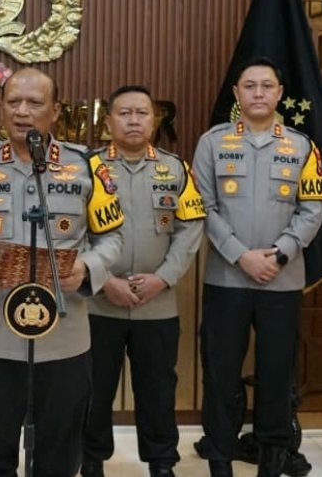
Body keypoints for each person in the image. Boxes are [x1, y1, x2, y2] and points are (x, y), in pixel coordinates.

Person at [0, 67, 125, 477]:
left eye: (34, 103)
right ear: (1, 108)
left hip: (64, 337)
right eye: (13, 102)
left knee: (59, 455)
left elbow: (113, 239)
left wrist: (87, 268)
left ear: (55, 111)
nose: (22, 112)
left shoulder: (85, 167)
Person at [191, 58, 322, 477]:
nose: (258, 93)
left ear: (280, 93)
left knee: (275, 376)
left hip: (281, 281)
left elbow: (312, 209)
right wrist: (240, 254)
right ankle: (219, 456)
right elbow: (202, 206)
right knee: (220, 374)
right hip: (226, 277)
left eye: (267, 86)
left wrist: (280, 253)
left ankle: (272, 457)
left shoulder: (303, 146)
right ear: (236, 93)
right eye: (249, 86)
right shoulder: (212, 143)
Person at [82, 86, 206, 477]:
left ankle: (161, 462)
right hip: (99, 303)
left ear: (155, 120)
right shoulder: (87, 170)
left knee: (157, 389)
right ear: (108, 122)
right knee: (93, 390)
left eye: (142, 113)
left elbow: (191, 227)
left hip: (157, 302)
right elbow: (72, 232)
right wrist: (103, 281)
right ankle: (90, 460)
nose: (134, 120)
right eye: (124, 113)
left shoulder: (176, 169)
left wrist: (164, 278)